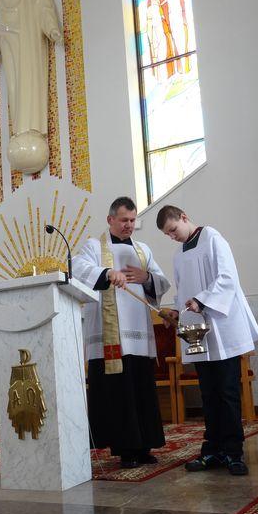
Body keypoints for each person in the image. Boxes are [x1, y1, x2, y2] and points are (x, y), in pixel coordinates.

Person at [156, 205, 258, 475]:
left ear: (184, 217)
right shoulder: (179, 255)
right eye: (168, 234)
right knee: (208, 394)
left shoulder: (213, 238)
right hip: (198, 332)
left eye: (173, 230)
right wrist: (175, 311)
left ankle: (234, 453)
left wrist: (202, 300)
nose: (172, 237)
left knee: (227, 392)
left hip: (222, 327)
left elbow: (227, 278)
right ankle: (212, 450)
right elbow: (183, 291)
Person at [73, 197, 171, 468]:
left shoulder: (142, 250)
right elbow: (77, 267)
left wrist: (146, 278)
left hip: (138, 333)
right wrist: (106, 273)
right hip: (110, 337)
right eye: (124, 220)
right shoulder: (94, 246)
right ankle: (126, 449)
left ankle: (144, 446)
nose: (129, 225)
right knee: (119, 393)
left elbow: (162, 282)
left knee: (141, 390)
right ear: (110, 220)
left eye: (132, 220)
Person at [0, 0, 61, 137]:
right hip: (7, 43)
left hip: (27, 40)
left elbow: (44, 8)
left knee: (29, 81)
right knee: (13, 88)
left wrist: (52, 29)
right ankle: (19, 131)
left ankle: (32, 129)